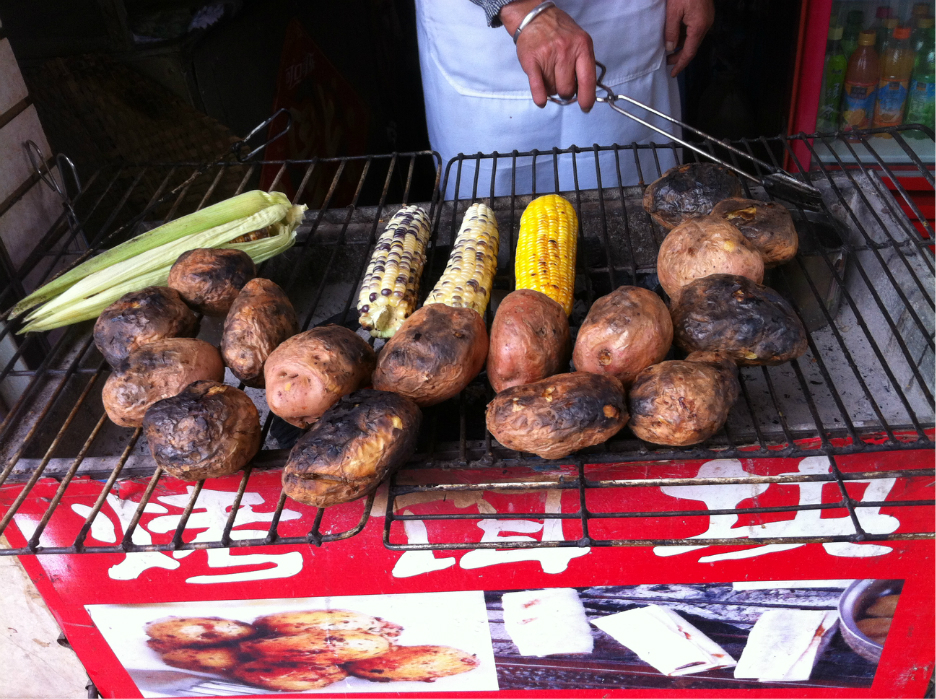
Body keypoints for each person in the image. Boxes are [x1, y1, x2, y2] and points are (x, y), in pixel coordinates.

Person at [414, 0, 715, 198]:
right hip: (483, 41)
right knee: (491, 236)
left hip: (626, 20)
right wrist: (518, 6)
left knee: (640, 212)